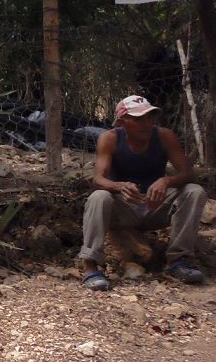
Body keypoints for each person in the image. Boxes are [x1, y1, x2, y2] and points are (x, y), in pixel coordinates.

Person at [77, 94, 207, 291]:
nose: (146, 123)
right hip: (123, 207)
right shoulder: (110, 139)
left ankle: (178, 260)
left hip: (156, 205)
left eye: (149, 117)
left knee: (194, 191)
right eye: (138, 119)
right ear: (122, 122)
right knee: (99, 196)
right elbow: (98, 179)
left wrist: (166, 181)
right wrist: (119, 186)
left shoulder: (164, 136)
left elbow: (188, 173)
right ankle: (91, 266)